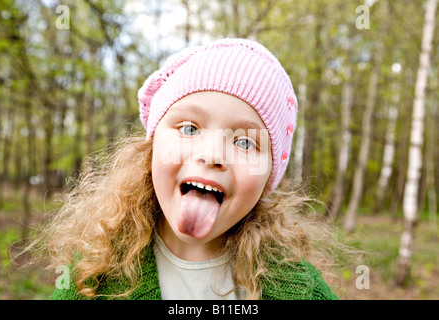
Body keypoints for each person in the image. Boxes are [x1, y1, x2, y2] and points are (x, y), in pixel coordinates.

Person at [46, 38, 339, 300]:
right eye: (189, 128)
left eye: (245, 143)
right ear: (151, 146)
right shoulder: (95, 276)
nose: (212, 155)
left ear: (267, 178)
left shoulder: (301, 289)